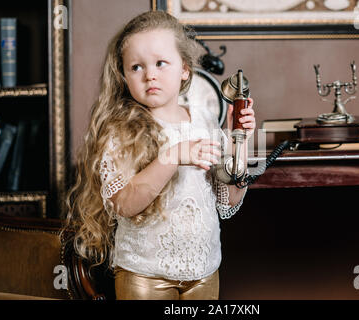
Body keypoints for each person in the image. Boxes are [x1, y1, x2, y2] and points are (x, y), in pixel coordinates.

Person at [63, 10, 256, 300]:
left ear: (185, 70)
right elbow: (124, 204)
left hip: (204, 271)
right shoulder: (121, 131)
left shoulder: (204, 120)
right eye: (136, 67)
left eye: (161, 63)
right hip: (145, 275)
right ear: (124, 76)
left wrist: (238, 143)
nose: (150, 74)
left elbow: (227, 202)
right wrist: (173, 155)